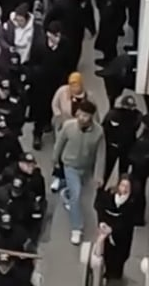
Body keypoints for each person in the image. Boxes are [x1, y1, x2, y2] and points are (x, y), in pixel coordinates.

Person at [52, 98, 101, 245]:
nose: (81, 117)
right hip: (70, 166)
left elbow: (101, 154)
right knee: (77, 194)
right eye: (80, 113)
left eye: (85, 115)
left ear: (91, 117)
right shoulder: (68, 126)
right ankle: (77, 228)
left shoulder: (98, 132)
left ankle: (67, 197)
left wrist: (98, 175)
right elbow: (59, 143)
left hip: (86, 168)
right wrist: (55, 160)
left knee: (78, 195)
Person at [94, 176, 143, 278]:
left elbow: (129, 221)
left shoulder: (133, 202)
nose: (124, 189)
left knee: (120, 257)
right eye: (122, 185)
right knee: (107, 253)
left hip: (122, 235)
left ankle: (116, 275)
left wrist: (113, 229)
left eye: (127, 187)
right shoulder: (109, 195)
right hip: (107, 230)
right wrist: (102, 222)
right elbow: (99, 207)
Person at [102, 95, 141, 181]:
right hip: (122, 146)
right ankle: (119, 188)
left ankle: (108, 188)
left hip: (120, 146)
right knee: (118, 170)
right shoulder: (135, 116)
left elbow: (105, 127)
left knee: (112, 170)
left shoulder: (114, 114)